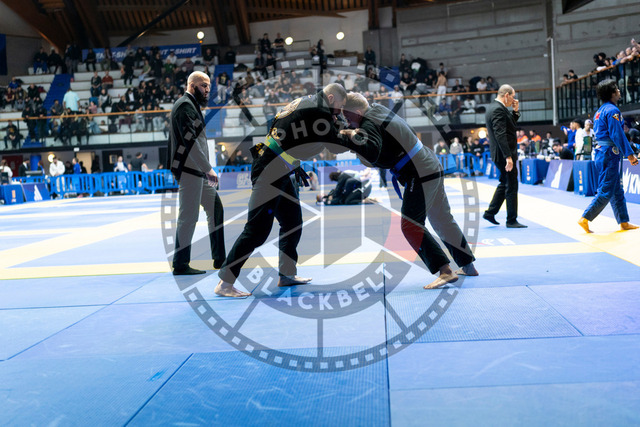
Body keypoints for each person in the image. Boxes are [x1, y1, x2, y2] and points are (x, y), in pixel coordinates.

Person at [217, 83, 348, 296]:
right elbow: (335, 145)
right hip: (269, 170)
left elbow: (286, 136)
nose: (338, 112)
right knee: (256, 230)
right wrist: (345, 126)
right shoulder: (319, 110)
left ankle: (286, 274)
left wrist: (294, 164)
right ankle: (225, 283)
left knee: (292, 222)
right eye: (339, 107)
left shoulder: (308, 103)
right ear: (331, 98)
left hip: (279, 166)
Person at [340, 92, 478, 289]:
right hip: (430, 164)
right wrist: (354, 132)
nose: (347, 121)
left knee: (410, 225)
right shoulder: (378, 110)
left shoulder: (369, 124)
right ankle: (468, 266)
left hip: (420, 173)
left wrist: (350, 137)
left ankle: (445, 270)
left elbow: (372, 156)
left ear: (358, 112)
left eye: (348, 116)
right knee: (442, 219)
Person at [168, 71, 227, 279]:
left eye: (209, 85)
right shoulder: (185, 106)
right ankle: (180, 264)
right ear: (192, 85)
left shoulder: (191, 106)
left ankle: (220, 258)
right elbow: (190, 142)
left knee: (215, 208)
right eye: (204, 85)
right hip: (189, 170)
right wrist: (208, 168)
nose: (208, 90)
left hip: (195, 170)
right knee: (188, 216)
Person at [578, 80, 639, 233]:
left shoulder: (600, 111)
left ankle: (623, 221)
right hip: (609, 153)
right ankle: (585, 217)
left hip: (602, 152)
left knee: (616, 189)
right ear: (612, 93)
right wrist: (630, 154)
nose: (619, 91)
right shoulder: (612, 110)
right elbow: (617, 134)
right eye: (617, 89)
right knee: (606, 190)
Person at [483, 85, 527, 228]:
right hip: (504, 154)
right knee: (511, 185)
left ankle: (490, 212)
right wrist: (508, 157)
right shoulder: (498, 109)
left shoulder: (495, 107)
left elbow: (510, 127)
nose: (514, 99)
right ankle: (511, 220)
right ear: (506, 95)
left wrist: (515, 111)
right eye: (513, 96)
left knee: (505, 183)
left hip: (501, 153)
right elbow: (500, 134)